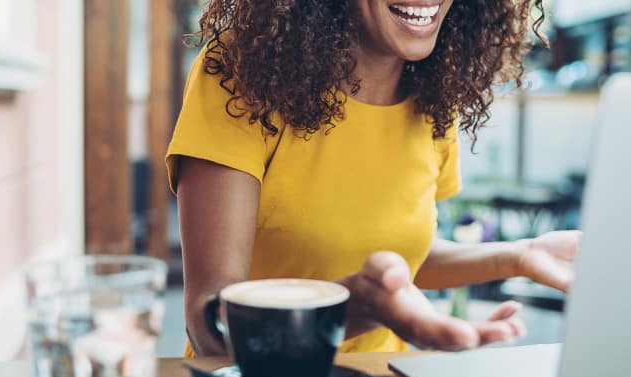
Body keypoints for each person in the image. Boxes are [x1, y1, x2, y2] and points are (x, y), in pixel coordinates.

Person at [167, 0, 580, 357]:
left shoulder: (436, 95)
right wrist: (357, 309)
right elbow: (211, 325)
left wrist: (520, 255)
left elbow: (400, 256)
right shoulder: (243, 74)